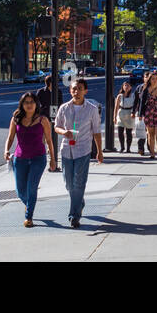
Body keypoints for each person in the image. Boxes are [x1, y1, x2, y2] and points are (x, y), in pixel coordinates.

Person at [54, 77, 104, 228]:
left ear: (85, 91)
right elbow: (56, 126)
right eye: (74, 89)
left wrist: (99, 151)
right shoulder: (64, 108)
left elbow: (96, 131)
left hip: (83, 150)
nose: (76, 92)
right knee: (69, 184)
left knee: (79, 183)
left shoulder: (92, 109)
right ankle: (79, 201)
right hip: (66, 150)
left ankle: (74, 216)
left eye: (80, 89)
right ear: (70, 91)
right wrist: (64, 132)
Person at [4, 91, 56, 227]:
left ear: (36, 104)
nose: (29, 105)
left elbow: (49, 141)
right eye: (26, 102)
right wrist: (6, 150)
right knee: (20, 190)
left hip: (38, 158)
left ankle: (29, 217)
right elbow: (10, 137)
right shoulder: (16, 119)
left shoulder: (43, 120)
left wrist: (53, 159)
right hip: (20, 159)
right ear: (22, 104)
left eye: (31, 102)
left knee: (31, 187)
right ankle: (29, 205)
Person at [34, 72, 61, 169]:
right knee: (43, 138)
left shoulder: (58, 91)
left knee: (52, 137)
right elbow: (36, 104)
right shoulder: (41, 91)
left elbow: (60, 104)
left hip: (54, 118)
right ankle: (42, 154)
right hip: (44, 118)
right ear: (49, 83)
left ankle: (52, 155)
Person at [133, 73, 157, 156]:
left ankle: (150, 148)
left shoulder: (155, 88)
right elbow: (136, 101)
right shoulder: (139, 88)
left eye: (149, 77)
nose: (147, 79)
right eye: (146, 77)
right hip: (142, 112)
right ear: (143, 78)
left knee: (150, 132)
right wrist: (134, 112)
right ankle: (140, 148)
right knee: (141, 130)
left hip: (152, 113)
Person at [114, 79, 137, 153]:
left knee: (128, 132)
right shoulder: (119, 96)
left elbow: (136, 106)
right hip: (121, 113)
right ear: (123, 87)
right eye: (125, 85)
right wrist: (114, 117)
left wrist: (134, 113)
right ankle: (122, 147)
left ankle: (128, 148)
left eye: (128, 85)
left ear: (130, 87)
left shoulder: (133, 95)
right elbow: (116, 107)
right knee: (120, 131)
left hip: (129, 113)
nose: (126, 87)